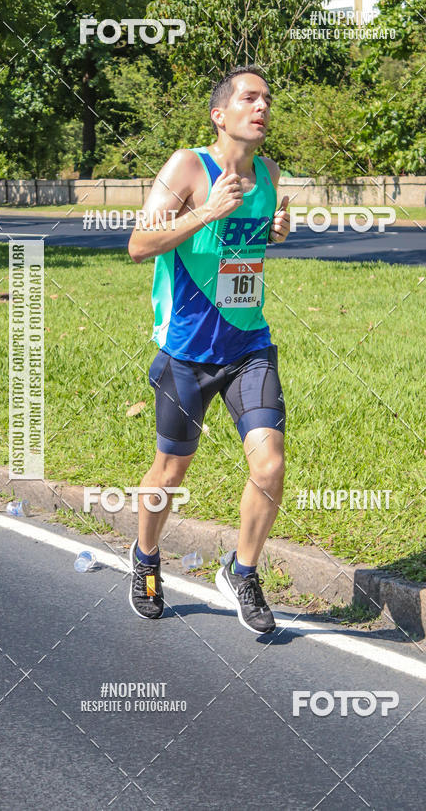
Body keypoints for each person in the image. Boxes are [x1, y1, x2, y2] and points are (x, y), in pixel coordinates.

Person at [127, 66, 290, 634]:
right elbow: (138, 243)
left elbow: (247, 246)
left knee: (269, 464)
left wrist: (274, 229)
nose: (262, 105)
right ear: (220, 116)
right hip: (187, 351)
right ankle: (146, 559)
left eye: (267, 98)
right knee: (171, 470)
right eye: (250, 98)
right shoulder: (188, 166)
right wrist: (206, 211)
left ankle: (241, 571)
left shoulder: (269, 173)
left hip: (249, 345)